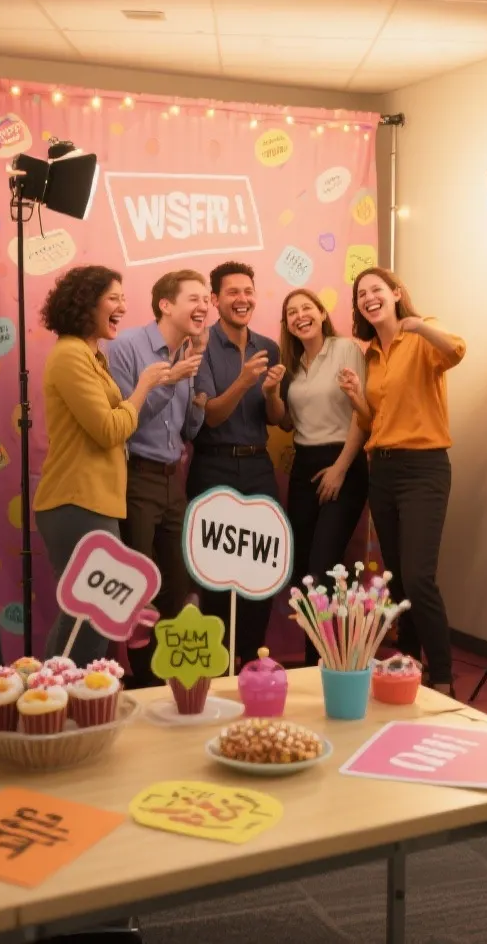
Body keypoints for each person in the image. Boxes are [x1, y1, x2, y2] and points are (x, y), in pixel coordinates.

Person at [36, 265, 178, 666]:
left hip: (97, 504)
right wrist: (145, 385)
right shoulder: (69, 356)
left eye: (122, 298)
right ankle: (55, 701)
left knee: (96, 616)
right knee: (86, 617)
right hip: (75, 503)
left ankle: (73, 702)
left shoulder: (91, 355)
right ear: (86, 303)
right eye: (113, 298)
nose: (123, 306)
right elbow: (109, 429)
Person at [354, 267, 465, 695]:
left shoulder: (422, 333)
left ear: (396, 293)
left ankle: (442, 674)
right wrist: (354, 399)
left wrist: (418, 325)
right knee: (397, 576)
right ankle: (409, 662)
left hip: (423, 467)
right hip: (381, 469)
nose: (368, 298)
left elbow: (456, 351)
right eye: (361, 294)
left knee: (420, 576)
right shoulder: (371, 356)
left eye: (376, 289)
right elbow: (376, 420)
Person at [106, 269, 208, 686]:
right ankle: (143, 681)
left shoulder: (187, 352)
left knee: (178, 584)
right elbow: (126, 421)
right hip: (137, 478)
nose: (204, 306)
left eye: (206, 300)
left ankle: (175, 680)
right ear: (166, 304)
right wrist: (170, 381)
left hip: (174, 480)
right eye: (195, 298)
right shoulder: (128, 346)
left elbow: (189, 431)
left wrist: (195, 391)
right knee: (139, 584)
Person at [191, 261, 285, 665]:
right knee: (215, 571)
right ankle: (217, 663)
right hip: (213, 465)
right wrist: (245, 381)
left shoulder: (269, 346)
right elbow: (210, 415)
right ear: (215, 300)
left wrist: (272, 393)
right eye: (232, 292)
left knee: (261, 568)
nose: (241, 299)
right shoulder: (201, 344)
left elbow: (275, 418)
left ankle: (250, 659)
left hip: (259, 465)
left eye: (248, 291)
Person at [277, 288, 371, 624]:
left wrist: (340, 469)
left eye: (307, 308)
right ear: (287, 325)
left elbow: (364, 414)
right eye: (292, 312)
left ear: (321, 313)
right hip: (304, 465)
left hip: (343, 461)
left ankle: (330, 660)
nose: (300, 316)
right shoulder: (292, 366)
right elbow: (288, 421)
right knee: (302, 569)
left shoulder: (345, 349)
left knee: (325, 565)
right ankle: (311, 660)